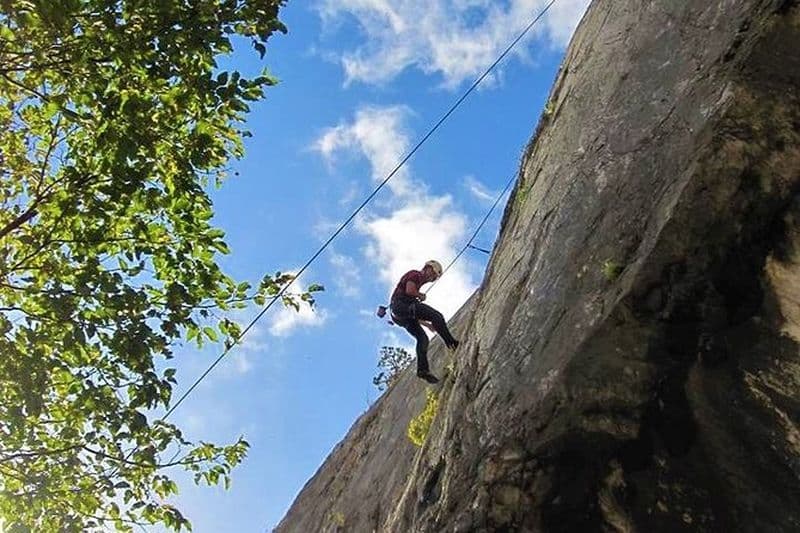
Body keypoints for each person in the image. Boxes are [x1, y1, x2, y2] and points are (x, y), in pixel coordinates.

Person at [390, 260, 460, 384]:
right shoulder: (415, 274)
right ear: (427, 268)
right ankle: (452, 344)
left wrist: (427, 324)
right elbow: (409, 291)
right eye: (433, 274)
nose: (431, 278)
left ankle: (423, 370)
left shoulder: (418, 280)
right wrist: (419, 295)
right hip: (401, 305)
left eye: (434, 278)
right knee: (436, 316)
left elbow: (412, 312)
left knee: (423, 339)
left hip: (400, 315)